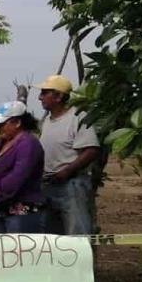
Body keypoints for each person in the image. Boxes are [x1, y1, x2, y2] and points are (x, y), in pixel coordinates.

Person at [38, 75, 100, 235]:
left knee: (76, 232)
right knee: (53, 235)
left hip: (72, 184)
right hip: (49, 183)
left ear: (58, 96)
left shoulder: (77, 117)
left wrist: (67, 171)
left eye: (45, 93)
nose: (40, 97)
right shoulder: (47, 121)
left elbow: (91, 149)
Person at [0, 101, 45, 234]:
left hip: (21, 212)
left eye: (2, 124)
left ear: (17, 123)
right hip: (2, 209)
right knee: (3, 251)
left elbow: (19, 174)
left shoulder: (28, 144)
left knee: (19, 251)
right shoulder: (1, 142)